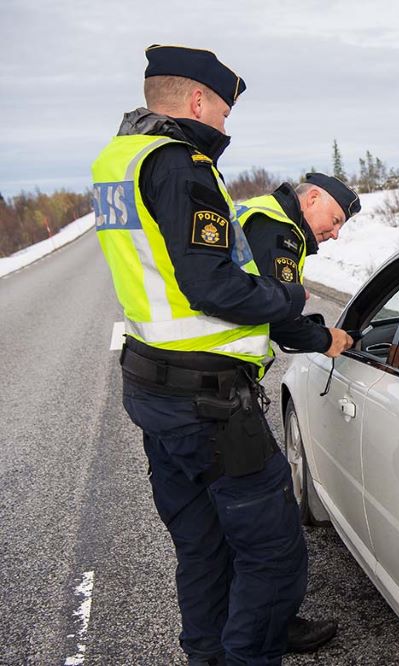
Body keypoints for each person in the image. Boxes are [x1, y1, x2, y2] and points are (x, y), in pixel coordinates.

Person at [92, 45, 337, 665]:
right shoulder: (181, 164)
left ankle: (206, 654)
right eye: (225, 113)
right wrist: (289, 294)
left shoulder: (118, 159)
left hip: (154, 389)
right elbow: (213, 285)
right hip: (208, 401)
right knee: (272, 554)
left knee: (204, 547)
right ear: (198, 101)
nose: (225, 125)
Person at [236, 172, 359, 355]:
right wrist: (327, 340)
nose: (335, 234)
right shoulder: (276, 227)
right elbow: (277, 315)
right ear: (313, 198)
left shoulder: (257, 209)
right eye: (335, 222)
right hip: (212, 358)